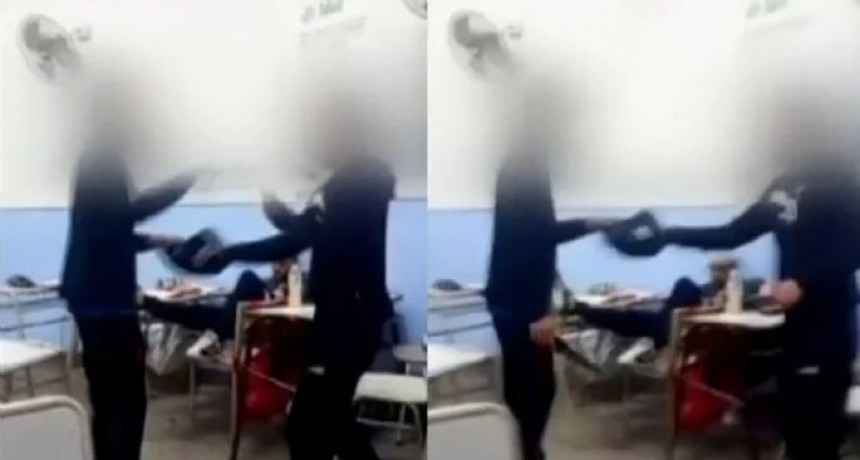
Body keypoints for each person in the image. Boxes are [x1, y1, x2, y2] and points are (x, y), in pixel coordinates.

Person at [605, 157, 860, 459]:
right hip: (794, 329)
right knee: (792, 425)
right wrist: (667, 236)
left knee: (820, 434)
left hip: (828, 328)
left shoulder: (841, 181)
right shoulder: (782, 188)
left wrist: (805, 283)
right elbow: (732, 233)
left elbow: (852, 249)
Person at [192, 98, 394, 460]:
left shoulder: (356, 183)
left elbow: (304, 235)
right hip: (347, 320)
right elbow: (301, 232)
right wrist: (259, 225)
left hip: (348, 325)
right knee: (326, 425)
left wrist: (244, 241)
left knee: (310, 427)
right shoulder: (357, 180)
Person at [60, 82, 197, 460]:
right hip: (107, 304)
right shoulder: (103, 159)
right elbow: (129, 213)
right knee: (126, 402)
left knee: (107, 401)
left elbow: (106, 229)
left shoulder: (94, 158)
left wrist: (153, 241)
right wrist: (186, 180)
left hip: (91, 299)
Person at [484, 86, 614, 460]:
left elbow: (532, 237)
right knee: (535, 387)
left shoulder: (522, 163)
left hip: (512, 296)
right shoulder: (525, 167)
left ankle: (524, 450)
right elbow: (537, 235)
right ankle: (526, 452)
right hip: (519, 301)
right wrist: (590, 224)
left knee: (528, 384)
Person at [571, 256, 764, 350]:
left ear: (733, 270)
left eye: (721, 270)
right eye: (713, 270)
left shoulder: (748, 285)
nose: (716, 274)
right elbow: (678, 301)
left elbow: (758, 298)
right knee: (630, 317)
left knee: (684, 283)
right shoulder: (706, 288)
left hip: (691, 330)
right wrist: (654, 298)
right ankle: (584, 311)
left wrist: (721, 300)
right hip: (671, 323)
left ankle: (583, 312)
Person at [142, 258, 296, 340]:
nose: (277, 268)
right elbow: (238, 298)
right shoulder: (268, 282)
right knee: (194, 312)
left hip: (254, 326)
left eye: (282, 264)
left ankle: (217, 337)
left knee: (248, 276)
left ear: (293, 264)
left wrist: (278, 298)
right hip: (233, 320)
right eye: (275, 263)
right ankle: (148, 304)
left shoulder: (297, 284)